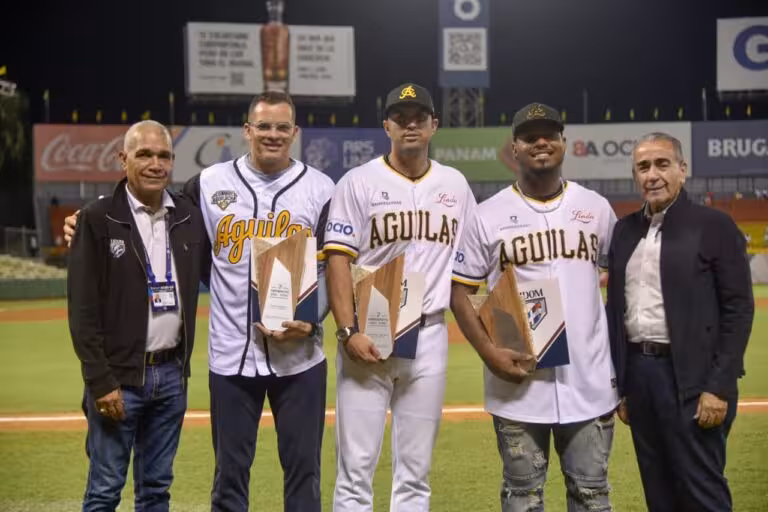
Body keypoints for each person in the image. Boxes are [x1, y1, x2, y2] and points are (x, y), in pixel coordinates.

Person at [64, 91, 335, 512]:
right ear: (247, 130)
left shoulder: (321, 187)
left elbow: (330, 269)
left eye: (283, 126)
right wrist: (85, 221)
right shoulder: (208, 184)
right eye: (263, 126)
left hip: (300, 359)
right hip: (231, 358)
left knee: (304, 475)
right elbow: (148, 208)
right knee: (229, 478)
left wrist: (313, 319)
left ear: (295, 132)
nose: (273, 134)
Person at [450, 103, 618, 512]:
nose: (541, 142)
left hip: (589, 382)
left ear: (564, 143)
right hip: (518, 386)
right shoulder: (486, 216)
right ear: (515, 148)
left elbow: (623, 284)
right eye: (530, 136)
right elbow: (460, 293)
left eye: (550, 134)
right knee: (522, 497)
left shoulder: (596, 209)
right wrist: (490, 354)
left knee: (592, 495)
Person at [324, 83, 481, 511]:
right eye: (400, 117)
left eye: (418, 117)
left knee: (415, 473)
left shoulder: (455, 184)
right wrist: (347, 330)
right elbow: (337, 260)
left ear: (434, 124)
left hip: (429, 336)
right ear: (386, 126)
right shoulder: (357, 182)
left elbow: (469, 269)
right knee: (355, 472)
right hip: (368, 333)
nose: (409, 124)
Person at [606, 132, 754, 512]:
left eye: (662, 164)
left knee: (702, 491)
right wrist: (623, 386)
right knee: (659, 492)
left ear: (682, 170)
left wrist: (718, 387)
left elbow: (738, 309)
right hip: (640, 377)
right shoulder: (624, 232)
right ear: (635, 177)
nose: (652, 174)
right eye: (643, 167)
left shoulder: (714, 226)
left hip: (693, 379)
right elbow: (615, 310)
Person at [67, 120, 205, 511]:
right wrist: (100, 382)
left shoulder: (188, 216)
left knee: (156, 490)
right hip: (118, 380)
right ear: (123, 159)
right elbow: (82, 311)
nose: (155, 164)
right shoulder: (96, 219)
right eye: (144, 154)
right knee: (105, 490)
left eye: (163, 155)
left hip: (171, 377)